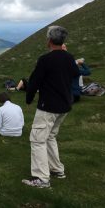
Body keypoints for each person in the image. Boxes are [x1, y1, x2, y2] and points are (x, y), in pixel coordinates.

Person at [22, 26, 80, 188]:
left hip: (48, 107)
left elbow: (34, 82)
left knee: (37, 139)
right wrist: (67, 54)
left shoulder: (45, 60)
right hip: (65, 106)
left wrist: (28, 99)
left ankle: (41, 178)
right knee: (50, 136)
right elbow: (76, 73)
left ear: (49, 40)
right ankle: (57, 170)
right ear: (62, 42)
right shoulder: (68, 57)